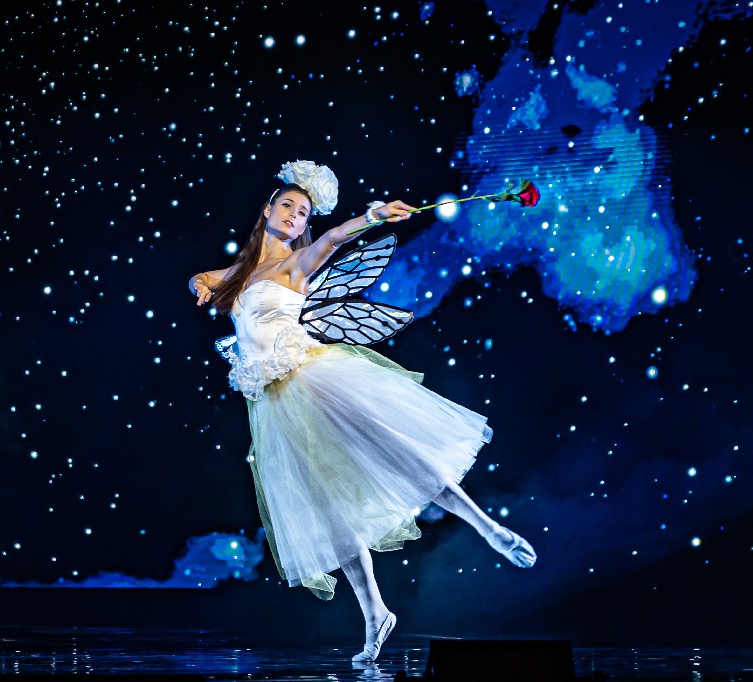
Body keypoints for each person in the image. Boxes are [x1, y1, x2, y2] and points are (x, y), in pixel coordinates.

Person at [189, 162, 536, 663]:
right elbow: (203, 276)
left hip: (313, 380)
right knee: (330, 508)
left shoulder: (296, 263)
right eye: (287, 205)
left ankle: (489, 529)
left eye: (302, 212)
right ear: (267, 209)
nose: (294, 215)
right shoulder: (243, 275)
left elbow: (333, 239)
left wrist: (372, 216)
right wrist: (201, 286)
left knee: (396, 455)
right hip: (275, 405)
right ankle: (376, 612)